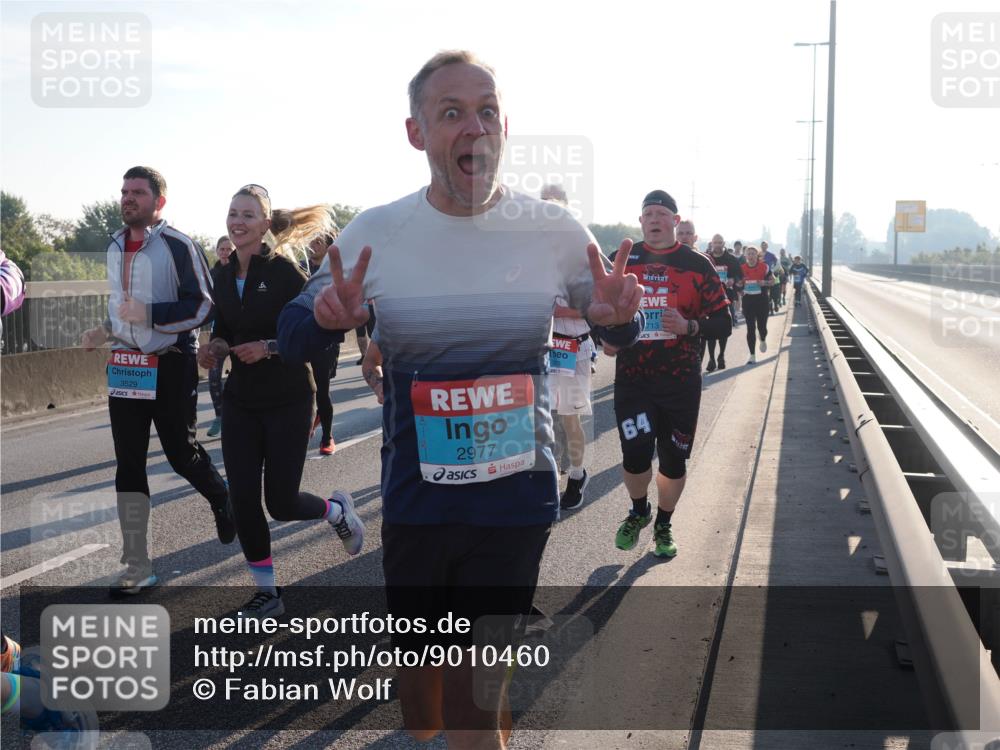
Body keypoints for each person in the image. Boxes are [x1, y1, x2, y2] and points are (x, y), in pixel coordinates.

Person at [278, 50, 643, 749]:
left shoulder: (554, 229)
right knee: (424, 704)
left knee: (477, 694)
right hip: (418, 499)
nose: (473, 126)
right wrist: (325, 317)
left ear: (504, 125)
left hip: (514, 500)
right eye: (451, 113)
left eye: (487, 110)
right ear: (417, 134)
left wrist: (614, 316)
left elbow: (612, 329)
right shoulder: (379, 232)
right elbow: (292, 329)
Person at [197, 187, 364, 618]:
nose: (238, 221)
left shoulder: (287, 272)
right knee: (244, 501)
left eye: (248, 215)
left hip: (289, 396)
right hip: (242, 400)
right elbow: (226, 330)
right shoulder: (222, 273)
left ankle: (336, 511)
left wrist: (270, 346)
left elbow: (317, 337)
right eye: (233, 213)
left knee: (282, 502)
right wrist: (215, 345)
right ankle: (267, 594)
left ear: (265, 225)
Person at [80, 166, 234, 596]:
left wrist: (148, 316)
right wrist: (104, 330)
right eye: (125, 191)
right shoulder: (113, 244)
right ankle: (137, 564)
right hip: (126, 364)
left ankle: (221, 496)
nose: (128, 198)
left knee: (180, 453)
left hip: (170, 362)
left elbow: (203, 306)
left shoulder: (177, 244)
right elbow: (120, 306)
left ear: (158, 202)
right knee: (128, 464)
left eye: (138, 193)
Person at [607, 190, 731, 559]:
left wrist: (690, 327)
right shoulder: (622, 261)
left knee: (674, 460)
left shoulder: (698, 265)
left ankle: (664, 522)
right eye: (648, 214)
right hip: (634, 380)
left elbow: (724, 322)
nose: (655, 219)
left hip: (680, 383)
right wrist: (608, 338)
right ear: (641, 221)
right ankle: (639, 510)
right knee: (635, 456)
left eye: (662, 213)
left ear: (676, 221)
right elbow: (598, 311)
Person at [541, 183, 594, 511]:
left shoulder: (582, 255)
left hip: (573, 348)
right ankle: (547, 478)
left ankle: (577, 474)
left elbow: (596, 307)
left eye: (556, 207)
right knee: (540, 419)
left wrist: (557, 309)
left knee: (569, 418)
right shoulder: (531, 253)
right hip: (541, 350)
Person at [306, 231, 341, 455]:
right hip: (303, 336)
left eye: (318, 241)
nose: (313, 245)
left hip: (326, 338)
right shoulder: (299, 266)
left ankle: (327, 436)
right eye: (311, 240)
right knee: (304, 389)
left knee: (322, 389)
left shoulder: (335, 270)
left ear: (329, 247)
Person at [702, 234, 742, 372]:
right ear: (711, 243)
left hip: (726, 296)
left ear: (724, 243)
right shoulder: (705, 258)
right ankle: (712, 359)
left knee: (724, 329)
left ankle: (721, 355)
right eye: (715, 242)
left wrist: (733, 280)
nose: (717, 245)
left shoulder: (731, 259)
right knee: (710, 330)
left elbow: (739, 275)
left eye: (720, 242)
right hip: (709, 299)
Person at [206, 235, 234, 438]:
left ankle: (239, 416)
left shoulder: (240, 271)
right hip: (218, 332)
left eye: (228, 249)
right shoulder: (211, 274)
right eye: (222, 249)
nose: (225, 252)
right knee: (213, 376)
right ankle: (219, 416)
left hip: (241, 331)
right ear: (217, 251)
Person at [740, 245, 775, 364]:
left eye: (753, 253)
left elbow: (774, 281)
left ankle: (763, 338)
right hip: (748, 302)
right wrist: (739, 285)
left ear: (757, 255)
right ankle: (752, 355)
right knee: (750, 328)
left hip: (762, 301)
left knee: (762, 327)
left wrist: (764, 282)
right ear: (745, 256)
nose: (751, 256)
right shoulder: (742, 268)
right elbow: (738, 284)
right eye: (748, 254)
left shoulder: (764, 267)